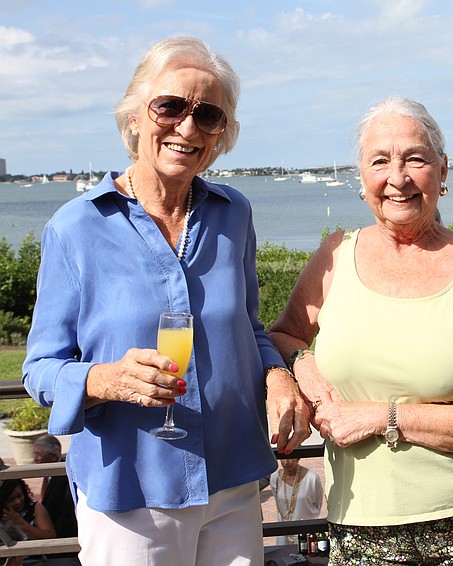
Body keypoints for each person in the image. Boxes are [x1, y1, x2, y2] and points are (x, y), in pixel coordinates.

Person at [22, 36, 311, 565]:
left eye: (208, 115)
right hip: (130, 491)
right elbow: (40, 369)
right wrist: (101, 379)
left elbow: (248, 327)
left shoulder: (234, 214)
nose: (187, 127)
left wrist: (277, 375)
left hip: (231, 479)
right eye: (170, 106)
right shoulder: (75, 228)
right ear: (134, 116)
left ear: (222, 134)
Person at [268, 96, 453, 565]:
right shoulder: (333, 256)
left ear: (443, 171)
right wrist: (301, 369)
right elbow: (283, 335)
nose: (398, 177)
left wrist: (377, 417)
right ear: (362, 178)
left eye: (415, 158)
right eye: (380, 161)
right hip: (362, 522)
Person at [33, 435, 79, 566]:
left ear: (53, 457)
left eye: (38, 454)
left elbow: (67, 516)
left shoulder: (63, 477)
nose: (35, 459)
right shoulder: (51, 476)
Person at [0, 479, 56, 566]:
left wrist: (20, 523)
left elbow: (51, 538)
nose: (18, 502)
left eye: (19, 496)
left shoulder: (35, 508)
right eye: (11, 500)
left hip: (36, 562)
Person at [268, 458, 324, 545]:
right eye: (283, 458)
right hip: (283, 533)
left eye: (290, 458)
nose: (286, 462)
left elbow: (318, 504)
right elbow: (278, 502)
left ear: (297, 458)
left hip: (307, 533)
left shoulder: (312, 478)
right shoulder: (275, 478)